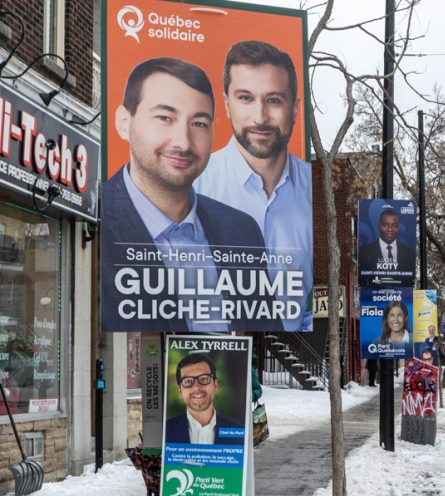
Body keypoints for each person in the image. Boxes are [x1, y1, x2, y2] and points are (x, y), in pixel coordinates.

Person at [102, 57, 281, 333]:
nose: (183, 142)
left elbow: (262, 331)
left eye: (199, 124)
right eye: (164, 118)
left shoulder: (242, 230)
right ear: (124, 122)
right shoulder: (94, 215)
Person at [194, 40, 312, 331]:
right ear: (226, 103)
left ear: (294, 108)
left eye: (273, 100)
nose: (260, 118)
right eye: (245, 98)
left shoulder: (313, 190)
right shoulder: (194, 185)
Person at [165, 353, 244, 445]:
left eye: (204, 379)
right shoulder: (164, 431)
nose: (196, 387)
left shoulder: (238, 432)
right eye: (188, 381)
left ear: (216, 385)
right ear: (180, 391)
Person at [358, 209, 416, 281]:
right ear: (379, 227)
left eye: (394, 225)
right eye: (385, 225)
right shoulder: (364, 252)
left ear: (398, 228)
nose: (390, 229)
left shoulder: (409, 253)